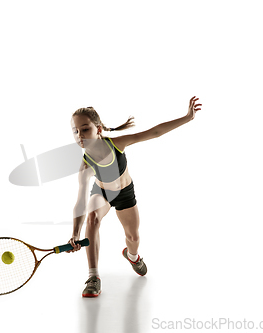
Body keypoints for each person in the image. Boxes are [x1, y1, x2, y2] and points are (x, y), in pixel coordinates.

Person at [68, 96, 202, 297]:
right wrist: (75, 234)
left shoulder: (116, 144)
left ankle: (132, 256)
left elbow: (154, 132)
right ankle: (93, 277)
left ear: (99, 129)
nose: (80, 135)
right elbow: (80, 202)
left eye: (85, 129)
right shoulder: (85, 164)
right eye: (76, 131)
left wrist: (187, 117)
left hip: (124, 193)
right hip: (102, 193)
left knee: (133, 237)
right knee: (92, 218)